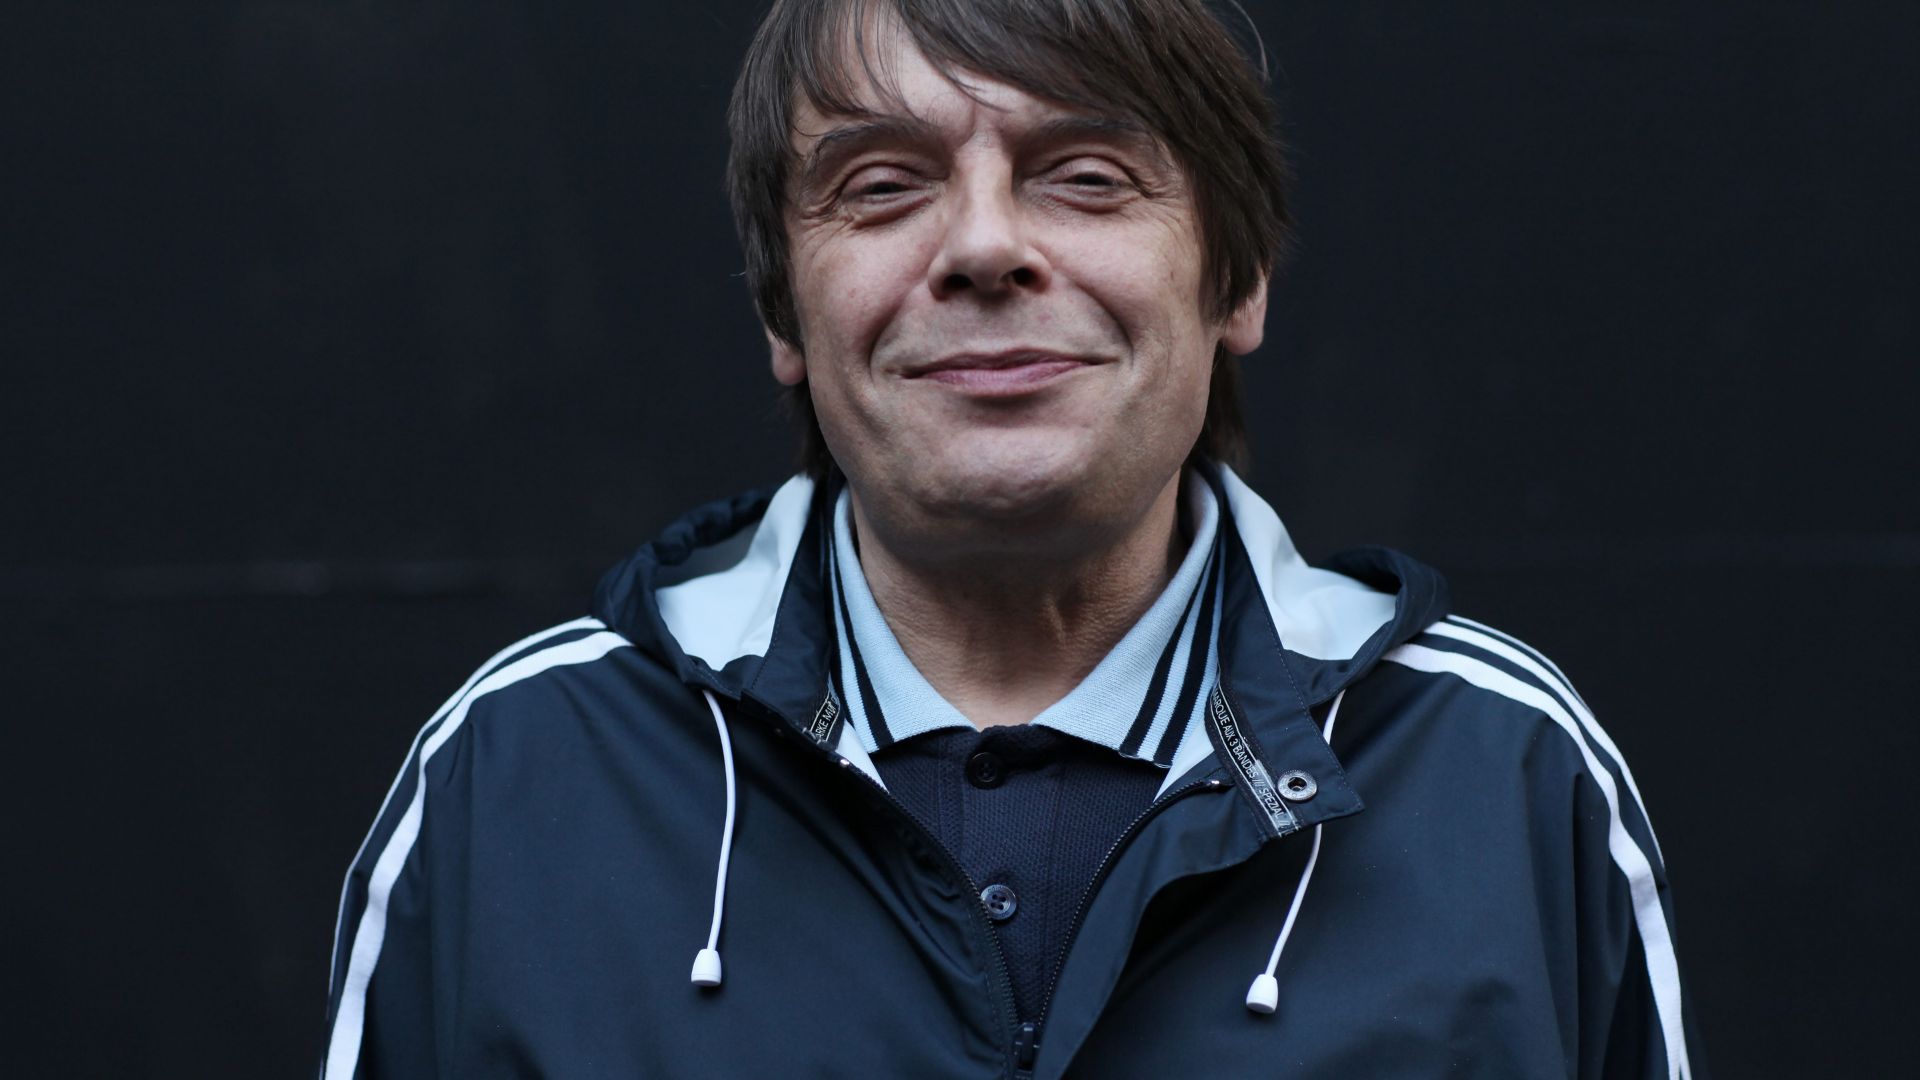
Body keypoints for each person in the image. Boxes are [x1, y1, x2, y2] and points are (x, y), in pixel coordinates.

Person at [322, 1, 1704, 1076]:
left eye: (1086, 175)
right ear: (782, 310)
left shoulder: (1503, 777)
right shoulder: (515, 781)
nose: (984, 247)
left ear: (1237, 279)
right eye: (881, 186)